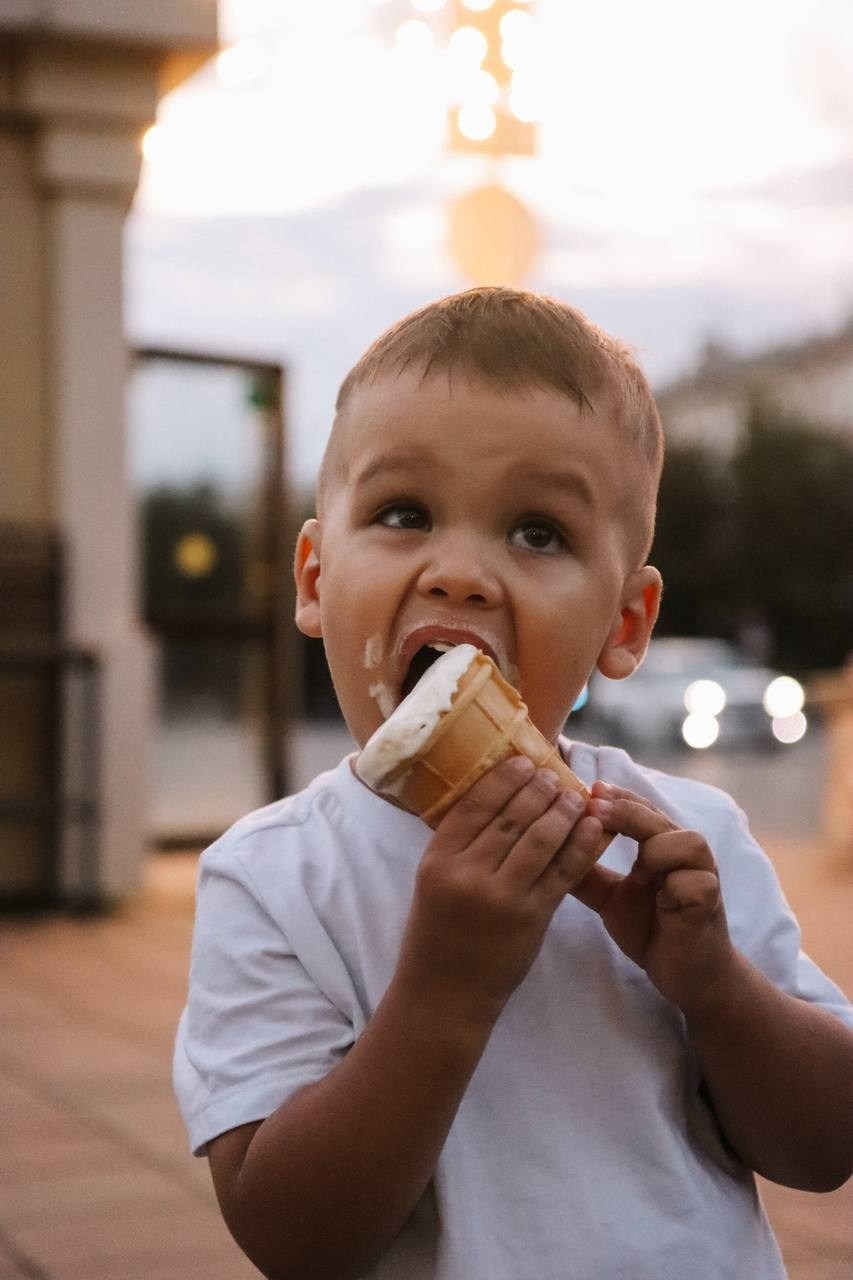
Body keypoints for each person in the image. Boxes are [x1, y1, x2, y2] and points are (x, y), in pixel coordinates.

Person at [173, 288, 853, 1280]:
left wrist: (716, 986)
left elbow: (824, 1145)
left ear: (624, 623)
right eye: (403, 513)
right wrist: (443, 988)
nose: (461, 573)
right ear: (316, 578)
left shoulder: (683, 839)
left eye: (537, 532)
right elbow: (292, 1235)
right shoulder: (272, 877)